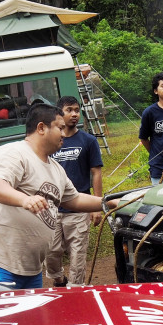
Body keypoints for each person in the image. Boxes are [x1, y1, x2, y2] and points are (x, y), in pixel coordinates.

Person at [0, 103, 113, 289]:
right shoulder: (14, 152)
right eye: (60, 128)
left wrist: (111, 202)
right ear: (41, 128)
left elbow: (75, 200)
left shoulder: (55, 168)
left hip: (30, 269)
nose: (64, 134)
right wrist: (25, 199)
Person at [45, 96, 103, 287]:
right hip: (52, 209)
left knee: (78, 254)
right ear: (59, 113)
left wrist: (97, 205)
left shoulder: (88, 140)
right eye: (69, 110)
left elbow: (96, 172)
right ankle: (59, 279)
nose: (74, 114)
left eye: (77, 110)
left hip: (79, 209)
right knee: (51, 252)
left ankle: (77, 290)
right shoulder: (52, 141)